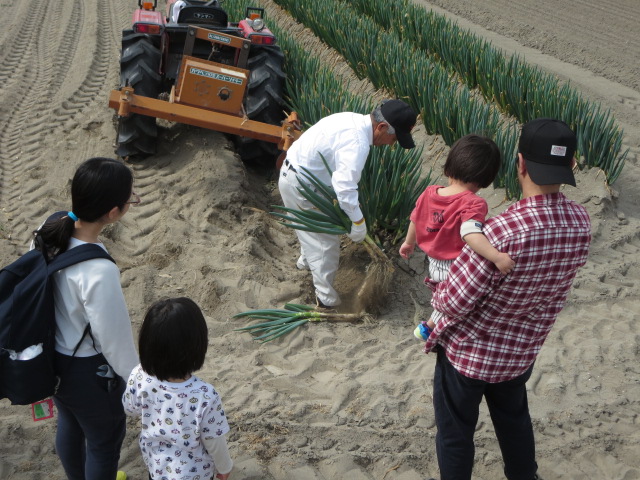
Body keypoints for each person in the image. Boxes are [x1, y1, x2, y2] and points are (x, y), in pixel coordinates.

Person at [422, 118, 591, 480]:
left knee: (455, 432)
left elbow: (454, 302)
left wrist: (439, 285)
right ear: (570, 166)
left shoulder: (501, 231)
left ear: (520, 163)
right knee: (514, 420)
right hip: (520, 352)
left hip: (470, 355)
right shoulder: (580, 222)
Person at [32, 157, 140, 480]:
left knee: (70, 422)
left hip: (53, 361)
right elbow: (114, 342)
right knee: (104, 442)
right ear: (113, 213)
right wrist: (138, 383)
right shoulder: (99, 271)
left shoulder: (50, 227)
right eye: (130, 198)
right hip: (86, 373)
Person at [279, 98, 418, 308]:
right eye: (394, 138)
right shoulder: (358, 143)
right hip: (304, 186)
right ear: (381, 127)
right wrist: (358, 221)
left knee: (309, 229)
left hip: (293, 176)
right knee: (326, 246)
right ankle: (326, 300)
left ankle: (305, 263)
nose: (392, 144)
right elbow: (344, 186)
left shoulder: (348, 118)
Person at [399, 134, 515, 341]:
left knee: (443, 296)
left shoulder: (429, 192)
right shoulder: (473, 203)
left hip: (433, 262)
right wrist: (497, 257)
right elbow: (470, 233)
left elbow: (415, 219)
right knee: (454, 301)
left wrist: (409, 243)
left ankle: (431, 326)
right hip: (456, 264)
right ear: (487, 178)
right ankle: (429, 329)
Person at [123, 297, 233, 480]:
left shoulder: (139, 375)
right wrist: (224, 467)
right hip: (194, 474)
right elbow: (214, 443)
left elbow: (130, 408)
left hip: (156, 466)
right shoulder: (205, 395)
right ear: (197, 346)